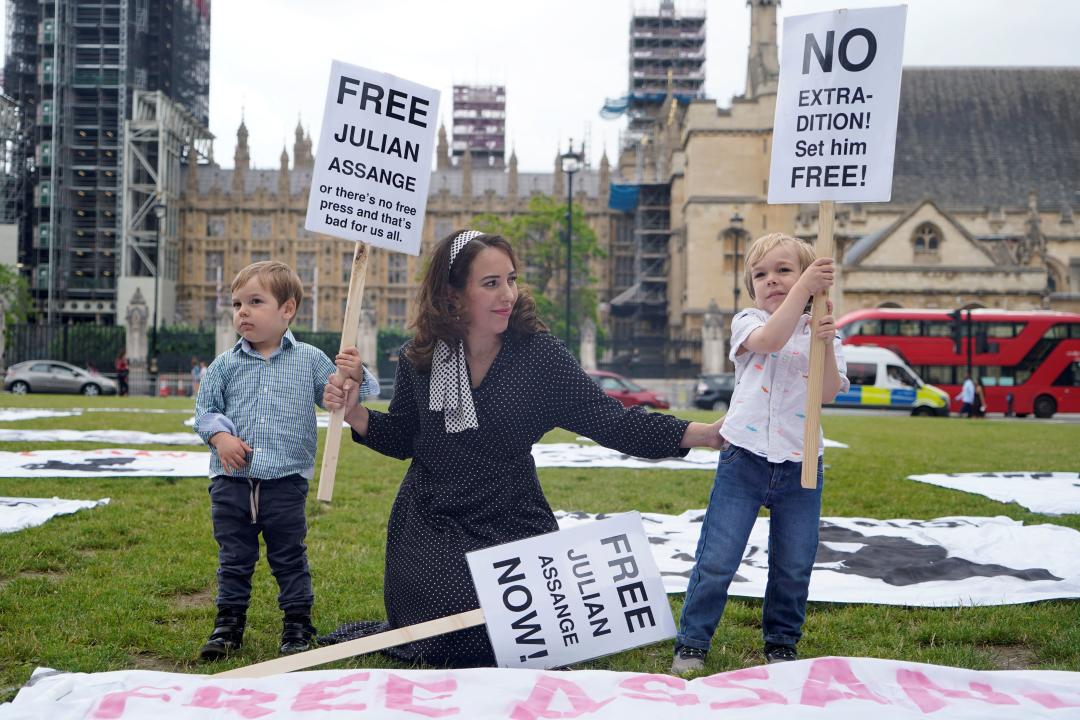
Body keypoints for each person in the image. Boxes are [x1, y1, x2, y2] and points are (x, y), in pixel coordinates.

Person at [322, 230, 724, 667]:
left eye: (510, 280)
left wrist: (704, 434)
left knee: (513, 634)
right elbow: (403, 437)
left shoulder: (539, 356)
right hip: (432, 516)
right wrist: (357, 412)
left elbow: (611, 421)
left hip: (510, 514)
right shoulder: (421, 356)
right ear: (453, 294)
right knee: (451, 623)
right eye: (490, 283)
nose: (507, 295)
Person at [670, 233, 849, 674]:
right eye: (760, 274)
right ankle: (692, 642)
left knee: (793, 562)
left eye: (784, 270)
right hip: (744, 458)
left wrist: (823, 343)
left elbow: (826, 392)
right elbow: (769, 341)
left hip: (801, 460)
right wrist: (803, 290)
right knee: (718, 558)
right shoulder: (747, 321)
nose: (771, 280)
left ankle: (781, 643)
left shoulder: (822, 331)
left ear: (809, 277)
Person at [193, 260, 379, 661]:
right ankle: (228, 625)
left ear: (287, 310)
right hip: (231, 482)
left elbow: (350, 394)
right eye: (237, 303)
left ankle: (297, 623)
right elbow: (204, 412)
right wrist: (220, 436)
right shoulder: (225, 365)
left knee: (289, 556)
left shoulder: (309, 359)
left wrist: (353, 377)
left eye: (255, 301)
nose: (242, 311)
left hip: (285, 480)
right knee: (234, 558)